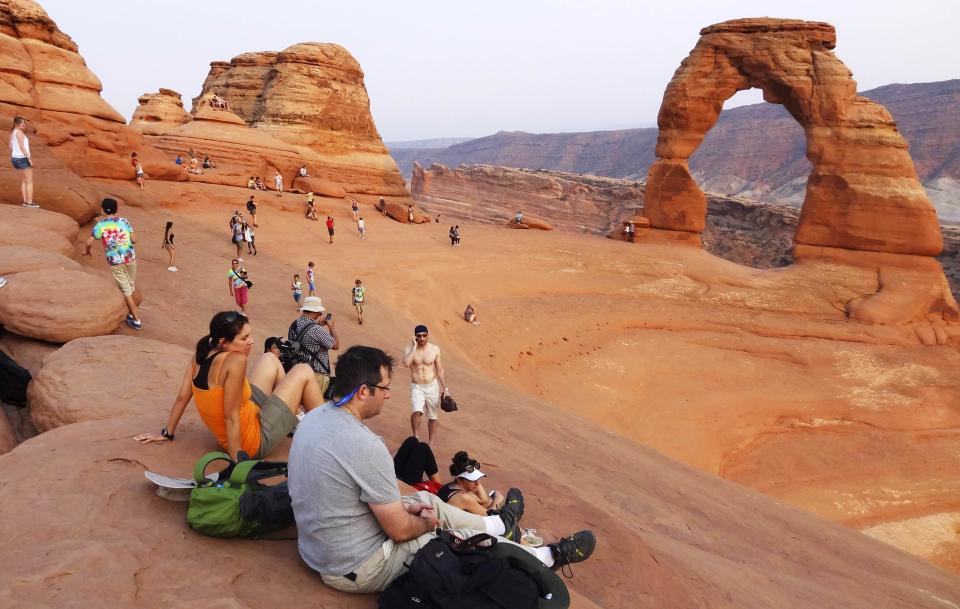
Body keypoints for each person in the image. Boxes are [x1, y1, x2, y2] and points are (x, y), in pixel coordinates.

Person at [288, 345, 596, 595]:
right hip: (357, 567)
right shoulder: (364, 444)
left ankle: (499, 525)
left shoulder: (313, 418)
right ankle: (547, 557)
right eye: (384, 388)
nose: (389, 394)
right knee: (456, 538)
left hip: (319, 549)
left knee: (429, 502)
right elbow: (397, 530)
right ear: (363, 391)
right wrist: (428, 525)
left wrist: (421, 513)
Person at [134, 311, 326, 460]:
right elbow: (231, 416)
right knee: (303, 371)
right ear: (224, 342)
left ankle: (290, 420)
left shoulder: (202, 352)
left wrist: (168, 433)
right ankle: (330, 433)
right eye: (244, 338)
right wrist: (236, 457)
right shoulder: (235, 361)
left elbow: (183, 396)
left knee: (269, 357)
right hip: (252, 441)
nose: (251, 341)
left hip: (249, 412)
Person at [83, 198, 141, 330]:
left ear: (103, 210)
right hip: (130, 257)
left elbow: (88, 242)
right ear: (116, 209)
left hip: (115, 261)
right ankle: (132, 315)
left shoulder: (100, 225)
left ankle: (136, 320)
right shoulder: (124, 221)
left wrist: (87, 251)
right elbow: (134, 239)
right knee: (130, 286)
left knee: (126, 290)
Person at [402, 324, 446, 445]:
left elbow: (440, 369)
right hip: (417, 386)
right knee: (417, 410)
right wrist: (414, 346)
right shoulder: (409, 348)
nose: (422, 338)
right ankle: (415, 437)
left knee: (432, 416)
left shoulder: (434, 349)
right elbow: (406, 363)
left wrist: (445, 388)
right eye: (419, 336)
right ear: (415, 337)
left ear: (428, 335)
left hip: (432, 386)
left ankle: (431, 443)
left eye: (424, 335)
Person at [287, 296, 339, 396]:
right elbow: (336, 345)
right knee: (314, 408)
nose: (320, 315)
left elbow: (304, 340)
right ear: (314, 312)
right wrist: (331, 327)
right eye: (319, 312)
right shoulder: (316, 330)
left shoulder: (294, 325)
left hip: (297, 371)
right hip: (317, 375)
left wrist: (318, 325)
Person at [437, 451, 505, 516]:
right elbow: (490, 516)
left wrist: (475, 483)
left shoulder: (451, 486)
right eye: (472, 480)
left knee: (489, 502)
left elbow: (485, 500)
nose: (478, 483)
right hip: (448, 526)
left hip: (447, 518)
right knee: (494, 505)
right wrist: (497, 502)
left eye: (477, 478)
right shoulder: (463, 497)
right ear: (459, 480)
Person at [10, 116, 36, 208]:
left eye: (25, 123)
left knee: (24, 181)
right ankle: (29, 203)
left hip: (15, 159)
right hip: (22, 159)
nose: (24, 124)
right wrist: (29, 158)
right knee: (29, 181)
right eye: (22, 123)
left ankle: (25, 202)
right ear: (16, 124)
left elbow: (10, 145)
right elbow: (22, 146)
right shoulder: (19, 133)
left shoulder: (13, 133)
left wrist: (15, 152)